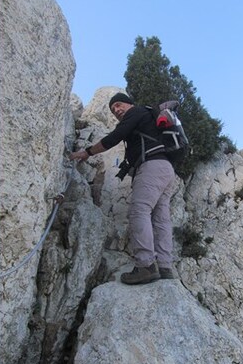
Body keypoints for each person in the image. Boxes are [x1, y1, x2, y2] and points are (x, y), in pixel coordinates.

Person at [69, 92, 176, 285]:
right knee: (161, 218)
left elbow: (115, 137)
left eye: (119, 105)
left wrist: (87, 152)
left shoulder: (136, 112)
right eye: (113, 109)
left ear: (129, 104)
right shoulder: (148, 116)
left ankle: (146, 266)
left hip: (151, 166)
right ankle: (165, 266)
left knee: (139, 211)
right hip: (166, 169)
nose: (116, 110)